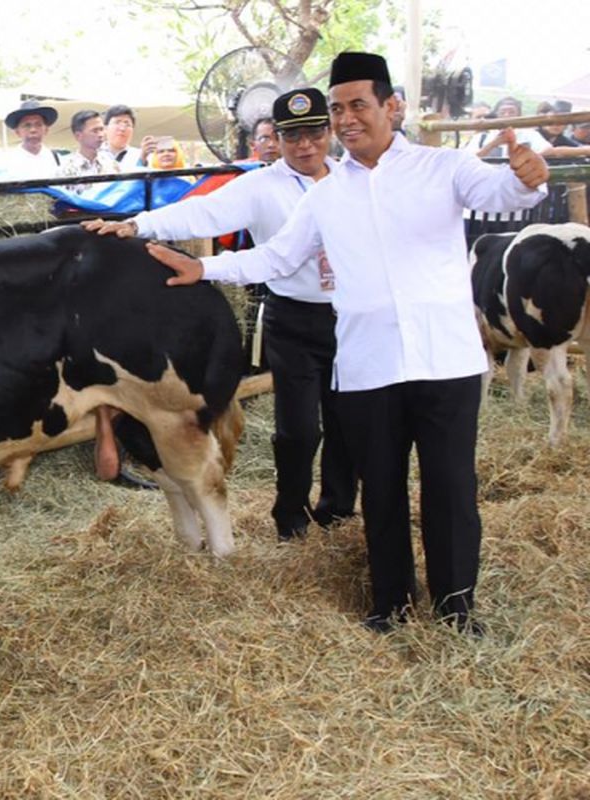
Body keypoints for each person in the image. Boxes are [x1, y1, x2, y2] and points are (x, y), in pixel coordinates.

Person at [140, 52, 549, 635]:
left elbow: (504, 191)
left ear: (391, 106)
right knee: (379, 488)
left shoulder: (442, 167)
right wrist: (201, 270)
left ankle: (457, 606)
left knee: (452, 488)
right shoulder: (325, 197)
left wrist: (526, 178)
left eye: (358, 104)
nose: (347, 118)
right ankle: (391, 603)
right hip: (368, 365)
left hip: (446, 361)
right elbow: (278, 257)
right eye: (339, 108)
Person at [87, 88, 357, 541]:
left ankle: (337, 510)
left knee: (349, 422)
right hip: (293, 319)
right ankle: (290, 517)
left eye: (313, 133)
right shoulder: (261, 183)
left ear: (329, 132)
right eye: (292, 136)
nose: (304, 145)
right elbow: (203, 212)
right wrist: (138, 225)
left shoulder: (354, 177)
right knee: (299, 430)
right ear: (275, 137)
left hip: (351, 318)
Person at [57, 110, 120, 193]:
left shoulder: (112, 165)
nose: (100, 135)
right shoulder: (66, 171)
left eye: (101, 129)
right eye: (95, 131)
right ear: (78, 136)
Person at [467, 97, 551, 158]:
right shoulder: (482, 137)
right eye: (503, 112)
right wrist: (493, 144)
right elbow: (468, 160)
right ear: (497, 115)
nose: (507, 116)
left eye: (511, 112)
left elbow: (547, 151)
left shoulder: (530, 135)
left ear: (519, 115)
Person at [3, 99, 61, 178]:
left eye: (38, 124)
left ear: (46, 130)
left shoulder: (57, 159)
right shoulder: (7, 162)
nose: (33, 130)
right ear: (17, 132)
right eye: (27, 125)